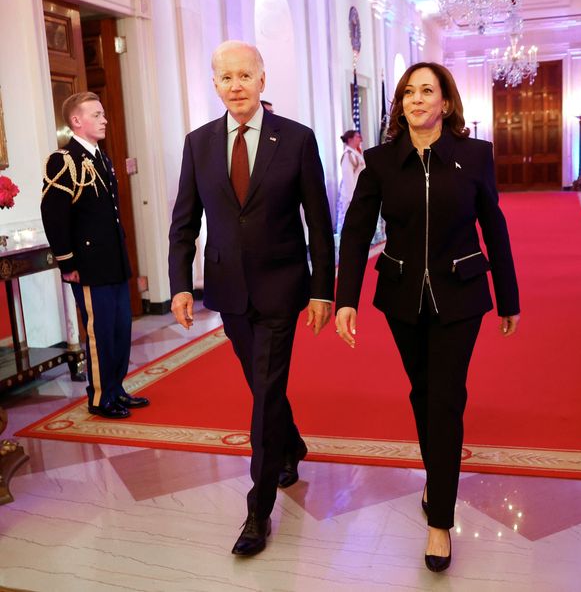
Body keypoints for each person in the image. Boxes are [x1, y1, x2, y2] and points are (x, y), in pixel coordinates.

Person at [335, 62, 520, 572]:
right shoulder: (379, 162)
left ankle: (440, 520)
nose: (417, 99)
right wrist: (345, 297)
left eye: (427, 91)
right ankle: (438, 474)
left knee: (445, 399)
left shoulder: (473, 156)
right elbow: (355, 232)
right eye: (408, 92)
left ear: (446, 102)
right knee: (422, 394)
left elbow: (494, 226)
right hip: (401, 299)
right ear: (400, 104)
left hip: (460, 297)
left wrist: (509, 296)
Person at [167, 40, 335, 557]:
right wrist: (178, 283)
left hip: (284, 288)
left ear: (263, 80)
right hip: (228, 290)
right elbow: (183, 222)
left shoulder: (298, 140)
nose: (235, 85)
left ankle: (257, 511)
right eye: (225, 77)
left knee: (263, 391)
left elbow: (319, 224)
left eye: (245, 75)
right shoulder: (198, 144)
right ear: (214, 84)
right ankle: (294, 445)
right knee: (262, 385)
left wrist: (322, 290)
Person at [40, 92, 149, 419]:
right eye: (97, 115)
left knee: (119, 329)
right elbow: (53, 215)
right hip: (87, 266)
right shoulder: (64, 160)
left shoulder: (101, 156)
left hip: (112, 261)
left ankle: (116, 388)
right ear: (76, 121)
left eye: (103, 114)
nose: (104, 119)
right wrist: (67, 263)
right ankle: (100, 397)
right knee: (99, 333)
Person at [335, 129, 365, 234]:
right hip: (351, 192)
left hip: (359, 191)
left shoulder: (356, 153)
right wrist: (353, 197)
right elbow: (348, 178)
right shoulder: (348, 155)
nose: (360, 139)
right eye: (357, 136)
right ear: (350, 139)